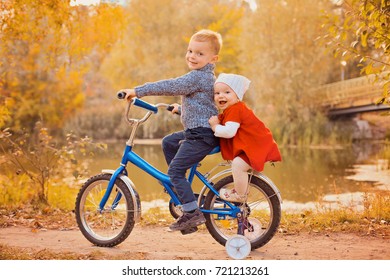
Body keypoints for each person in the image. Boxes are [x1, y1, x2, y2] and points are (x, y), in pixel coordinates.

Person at [117, 29, 222, 232]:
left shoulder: (198, 77)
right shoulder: (205, 77)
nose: (192, 56)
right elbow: (203, 106)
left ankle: (191, 212)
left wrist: (138, 91)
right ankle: (179, 192)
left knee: (174, 171)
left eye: (200, 53)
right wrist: (181, 109)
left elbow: (172, 85)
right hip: (199, 131)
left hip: (201, 135)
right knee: (169, 142)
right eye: (190, 50)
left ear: (213, 58)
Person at [209, 73, 282, 202]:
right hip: (254, 145)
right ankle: (240, 189)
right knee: (238, 165)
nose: (221, 95)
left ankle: (240, 195)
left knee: (238, 165)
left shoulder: (236, 110)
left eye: (227, 92)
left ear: (237, 96)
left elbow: (229, 132)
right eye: (217, 93)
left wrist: (215, 126)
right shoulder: (231, 110)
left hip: (256, 146)